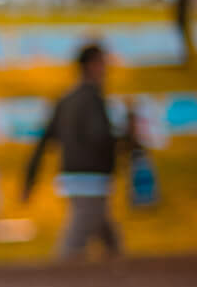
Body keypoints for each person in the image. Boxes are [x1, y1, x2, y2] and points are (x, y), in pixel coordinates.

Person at [23, 40, 133, 258]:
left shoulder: (65, 99)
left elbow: (44, 140)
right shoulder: (93, 98)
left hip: (70, 175)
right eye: (103, 63)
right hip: (92, 177)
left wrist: (30, 178)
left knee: (107, 233)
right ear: (92, 65)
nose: (106, 69)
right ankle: (57, 272)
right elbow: (99, 136)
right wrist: (126, 137)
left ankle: (121, 267)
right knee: (75, 239)